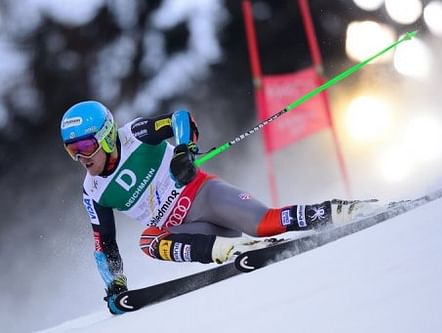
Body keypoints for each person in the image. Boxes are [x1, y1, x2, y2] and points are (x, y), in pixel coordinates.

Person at [60, 100, 380, 314]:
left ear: (104, 136)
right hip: (186, 230)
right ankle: (233, 249)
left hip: (204, 195)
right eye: (71, 150)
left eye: (85, 146)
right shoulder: (92, 191)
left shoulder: (135, 136)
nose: (81, 157)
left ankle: (339, 211)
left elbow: (180, 119)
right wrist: (115, 285)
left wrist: (185, 151)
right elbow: (104, 243)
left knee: (265, 223)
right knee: (148, 241)